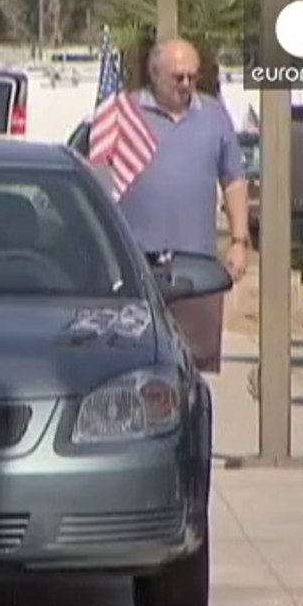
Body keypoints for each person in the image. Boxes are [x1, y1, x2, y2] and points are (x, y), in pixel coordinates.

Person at [104, 38, 251, 373]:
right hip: (135, 265)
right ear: (155, 74)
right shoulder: (123, 113)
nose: (186, 84)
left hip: (196, 267)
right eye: (177, 77)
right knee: (132, 365)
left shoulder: (214, 115)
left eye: (192, 77)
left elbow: (233, 180)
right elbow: (98, 178)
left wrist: (239, 241)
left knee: (195, 367)